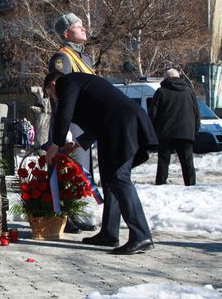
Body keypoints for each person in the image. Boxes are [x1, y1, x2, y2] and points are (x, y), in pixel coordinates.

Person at [44, 71, 157, 255]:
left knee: (119, 178)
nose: (54, 99)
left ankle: (141, 235)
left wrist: (56, 144)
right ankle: (109, 233)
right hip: (115, 126)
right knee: (110, 181)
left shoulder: (66, 81)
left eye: (50, 94)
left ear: (53, 85)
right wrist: (78, 143)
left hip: (121, 125)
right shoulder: (82, 84)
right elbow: (100, 114)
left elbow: (66, 111)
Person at [47, 13, 96, 234]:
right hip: (70, 125)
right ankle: (66, 215)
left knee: (82, 171)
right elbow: (59, 95)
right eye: (78, 26)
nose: (84, 29)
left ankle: (77, 212)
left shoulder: (85, 59)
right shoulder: (62, 58)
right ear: (67, 33)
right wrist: (63, 130)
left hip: (85, 124)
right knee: (69, 170)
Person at [149, 69, 200, 186]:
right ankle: (191, 185)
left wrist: (152, 131)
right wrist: (195, 131)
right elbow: (196, 113)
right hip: (186, 133)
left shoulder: (161, 92)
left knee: (163, 161)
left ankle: (161, 184)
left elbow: (153, 114)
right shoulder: (189, 92)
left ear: (166, 78)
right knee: (187, 162)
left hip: (165, 133)